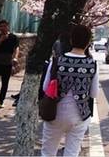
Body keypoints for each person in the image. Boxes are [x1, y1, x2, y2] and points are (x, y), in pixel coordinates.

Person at [41, 25, 99, 157]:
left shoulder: (56, 61)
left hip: (54, 113)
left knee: (47, 152)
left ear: (71, 40)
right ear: (88, 42)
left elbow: (45, 88)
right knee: (72, 153)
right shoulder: (92, 64)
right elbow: (94, 94)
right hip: (79, 115)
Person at [0, 20, 19, 110]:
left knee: (5, 84)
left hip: (7, 64)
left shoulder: (13, 37)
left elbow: (16, 48)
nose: (2, 28)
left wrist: (16, 57)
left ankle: (0, 102)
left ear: (8, 26)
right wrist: (1, 40)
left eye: (4, 26)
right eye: (1, 26)